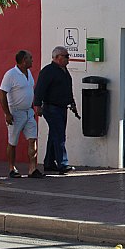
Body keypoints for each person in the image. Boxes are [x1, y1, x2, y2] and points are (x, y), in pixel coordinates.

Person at [0, 50, 44, 178]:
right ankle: (12, 168)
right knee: (13, 141)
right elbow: (2, 93)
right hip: (15, 112)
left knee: (32, 139)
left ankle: (32, 168)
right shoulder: (11, 74)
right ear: (24, 60)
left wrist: (32, 108)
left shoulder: (28, 73)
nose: (32, 60)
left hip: (28, 112)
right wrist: (7, 113)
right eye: (30, 58)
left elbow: (29, 92)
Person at [33, 46, 77, 174]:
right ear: (58, 57)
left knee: (54, 135)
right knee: (59, 135)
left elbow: (68, 88)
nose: (68, 59)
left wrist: (72, 103)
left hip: (62, 107)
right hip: (51, 108)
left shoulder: (64, 71)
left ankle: (49, 162)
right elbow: (40, 89)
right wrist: (38, 105)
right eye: (66, 56)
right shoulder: (48, 71)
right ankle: (62, 163)